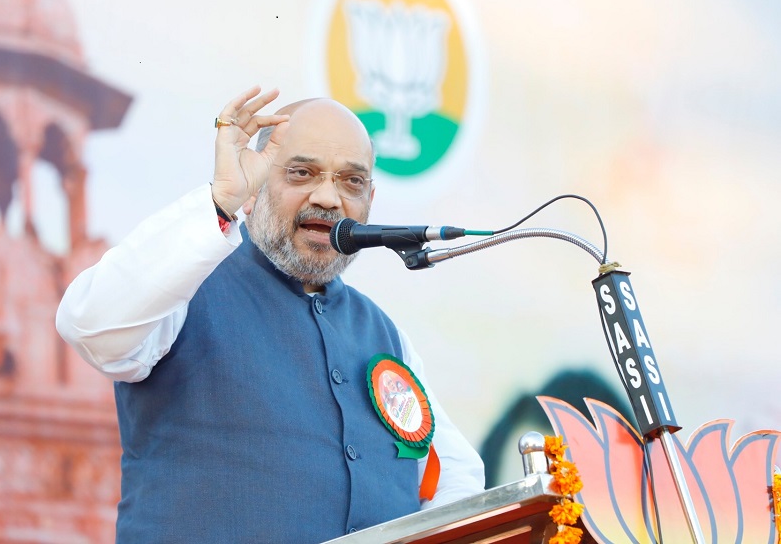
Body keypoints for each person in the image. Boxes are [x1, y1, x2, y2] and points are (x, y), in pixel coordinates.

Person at [56, 86, 485, 543]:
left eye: (351, 181)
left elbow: (458, 481)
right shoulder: (185, 284)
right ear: (254, 187)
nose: (328, 197)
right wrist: (218, 202)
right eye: (302, 173)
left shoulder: (383, 334)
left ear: (370, 201)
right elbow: (89, 327)